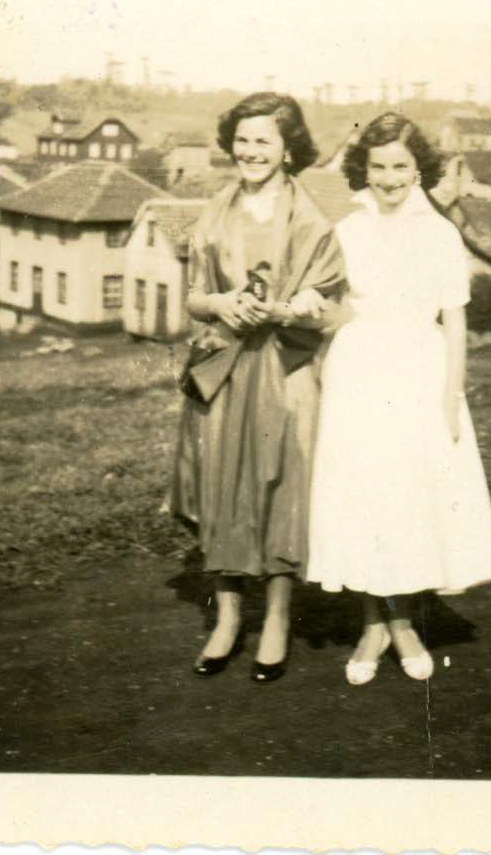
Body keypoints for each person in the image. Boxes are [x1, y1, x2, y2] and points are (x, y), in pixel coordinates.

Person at [305, 112, 491, 685]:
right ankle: (373, 625)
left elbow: (454, 319)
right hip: (358, 371)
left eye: (400, 166)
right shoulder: (349, 230)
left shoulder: (439, 234)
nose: (389, 178)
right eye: (378, 167)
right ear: (364, 169)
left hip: (420, 374)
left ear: (418, 169)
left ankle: (401, 625)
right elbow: (338, 305)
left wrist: (451, 395)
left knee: (408, 500)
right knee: (365, 499)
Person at [170, 93, 345, 683]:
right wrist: (222, 303)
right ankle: (226, 619)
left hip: (283, 367)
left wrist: (290, 308)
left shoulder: (310, 219)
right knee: (221, 485)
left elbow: (328, 302)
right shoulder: (215, 212)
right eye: (242, 140)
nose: (249, 151)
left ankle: (276, 619)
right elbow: (194, 298)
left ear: (288, 148)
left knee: (279, 486)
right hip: (223, 366)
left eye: (263, 140)